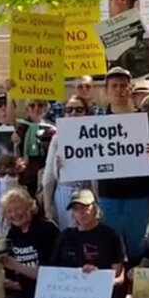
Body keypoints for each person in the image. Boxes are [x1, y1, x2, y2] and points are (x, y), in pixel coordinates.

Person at [97, 67, 149, 265]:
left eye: (123, 86)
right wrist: (66, 163)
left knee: (140, 248)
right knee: (111, 251)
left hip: (140, 196)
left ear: (130, 89)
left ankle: (137, 288)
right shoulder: (96, 123)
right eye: (114, 86)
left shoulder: (147, 119)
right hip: (109, 196)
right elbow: (79, 154)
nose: (119, 90)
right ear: (106, 91)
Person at [49, 189, 125, 298]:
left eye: (85, 207)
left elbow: (119, 276)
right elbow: (53, 272)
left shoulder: (111, 235)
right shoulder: (66, 236)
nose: (80, 213)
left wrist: (98, 278)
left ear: (95, 208)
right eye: (76, 209)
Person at [0, 187, 60, 298]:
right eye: (9, 211)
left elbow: (50, 274)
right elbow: (8, 272)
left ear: (29, 207)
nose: (14, 214)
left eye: (17, 209)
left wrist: (15, 266)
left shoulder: (47, 229)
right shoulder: (13, 233)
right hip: (21, 289)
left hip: (47, 290)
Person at [42, 95, 95, 230]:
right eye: (69, 110)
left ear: (86, 113)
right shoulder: (57, 139)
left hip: (89, 194)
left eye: (79, 110)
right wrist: (48, 208)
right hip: (64, 195)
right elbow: (48, 177)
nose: (73, 113)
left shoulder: (96, 136)